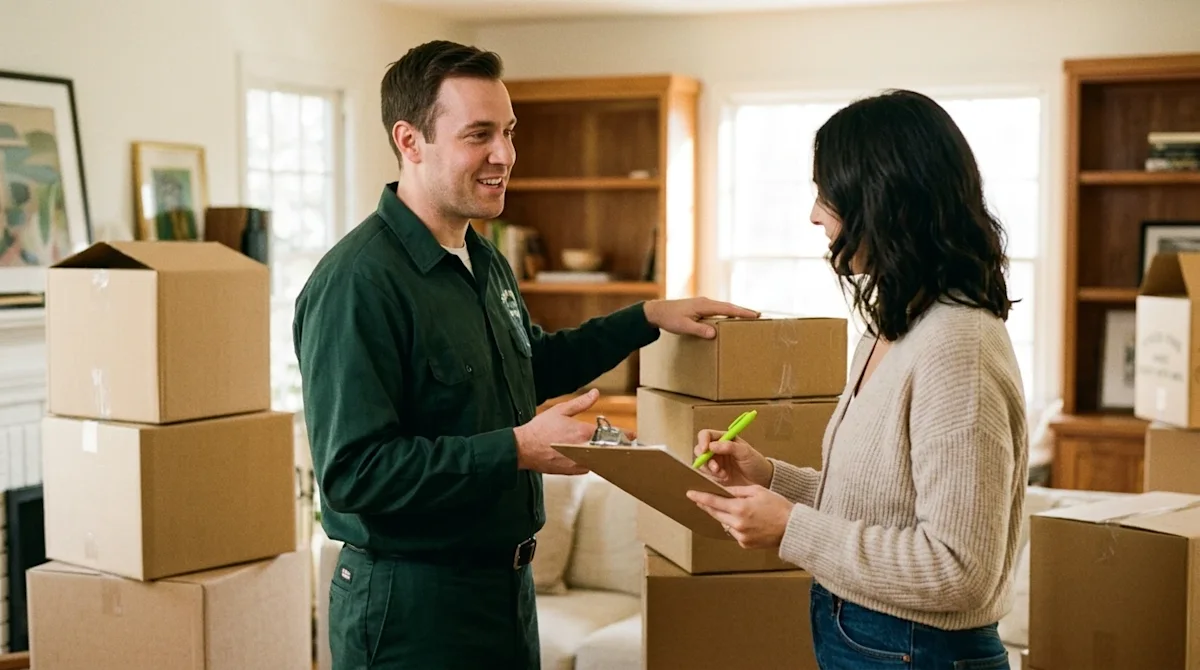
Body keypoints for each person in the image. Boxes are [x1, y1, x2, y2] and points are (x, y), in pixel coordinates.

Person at [292, 39, 757, 670]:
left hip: (505, 594)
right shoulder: (356, 284)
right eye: (479, 134)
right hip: (412, 610)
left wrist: (647, 317)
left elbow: (531, 363)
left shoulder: (482, 259)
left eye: (508, 132)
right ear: (410, 140)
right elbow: (354, 474)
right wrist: (515, 448)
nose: (505, 155)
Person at [687, 89, 1028, 670]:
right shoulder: (889, 330)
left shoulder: (957, 348)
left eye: (827, 196)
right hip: (871, 638)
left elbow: (960, 571)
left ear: (885, 202)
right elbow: (881, 509)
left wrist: (791, 528)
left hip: (919, 651)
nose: (814, 216)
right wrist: (769, 477)